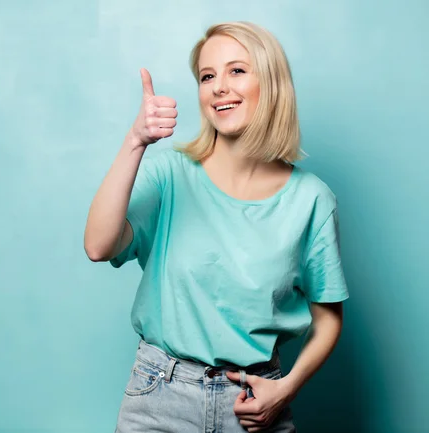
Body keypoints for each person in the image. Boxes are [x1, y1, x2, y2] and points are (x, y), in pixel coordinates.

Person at [84, 21, 348, 433]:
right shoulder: (170, 175)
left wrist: (288, 389)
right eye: (208, 76)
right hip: (159, 398)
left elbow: (329, 317)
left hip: (255, 406)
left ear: (272, 83)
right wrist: (135, 142)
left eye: (237, 71)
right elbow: (98, 246)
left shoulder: (311, 200)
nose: (219, 86)